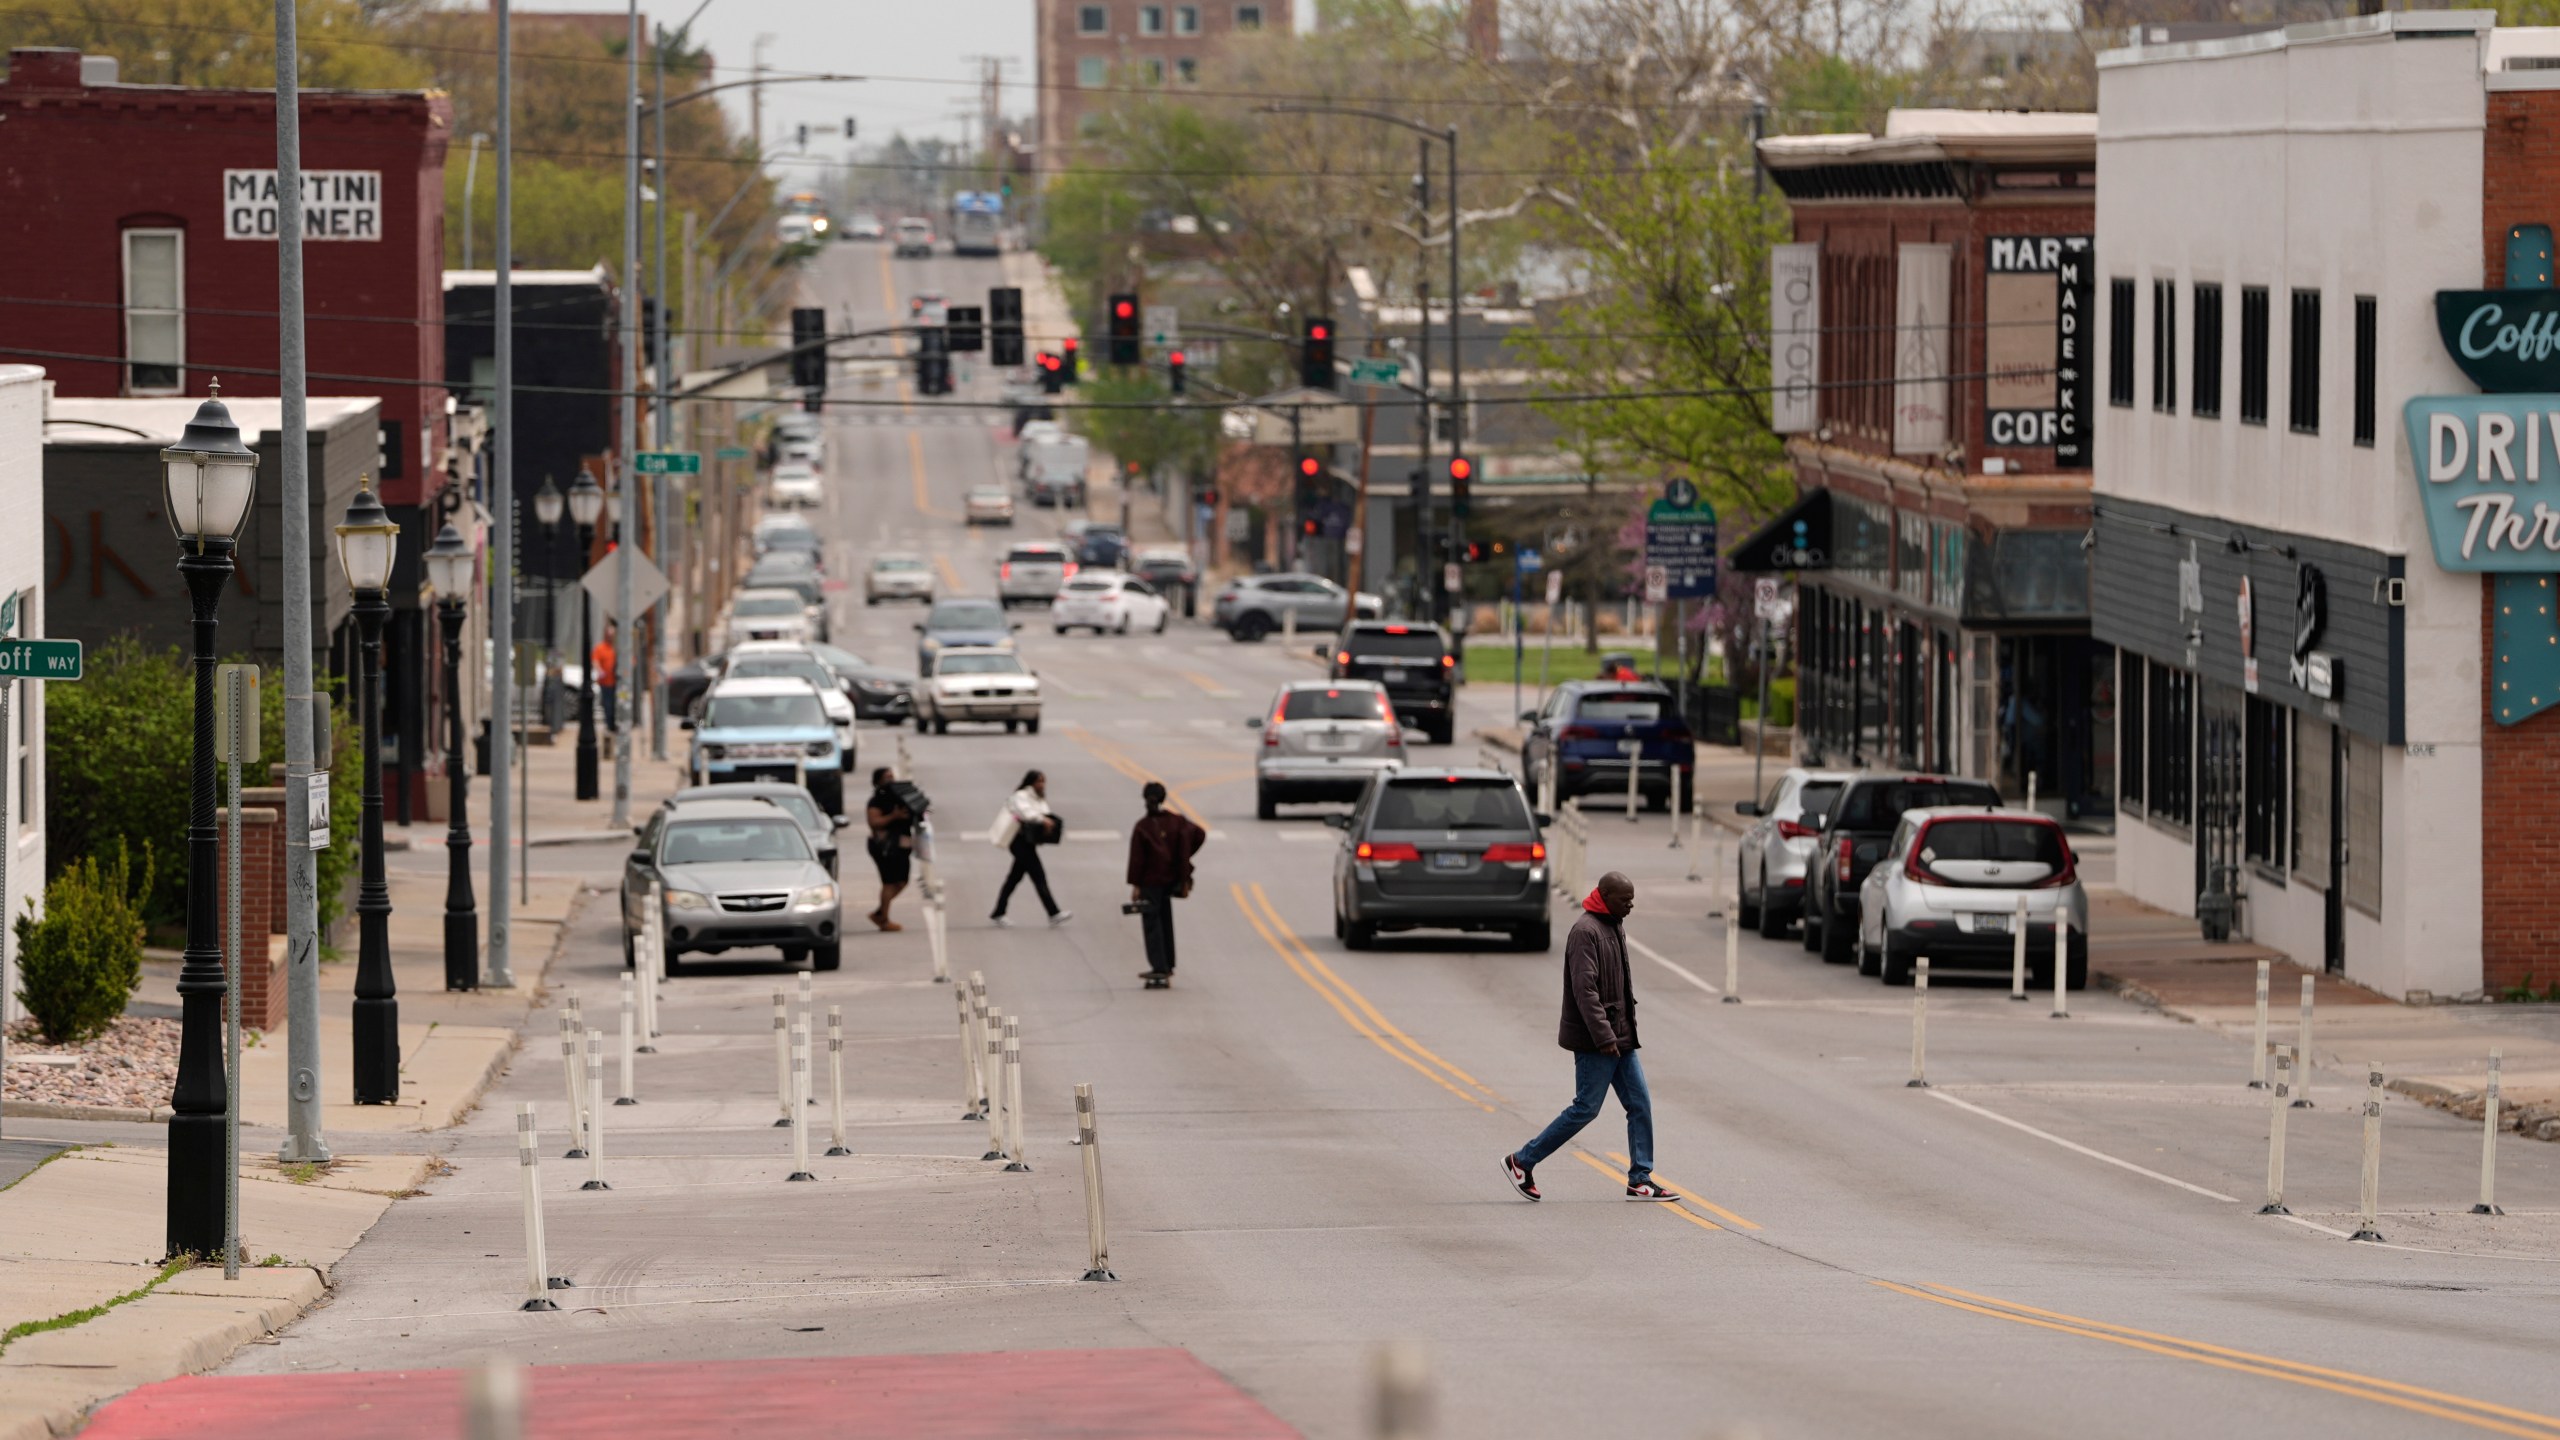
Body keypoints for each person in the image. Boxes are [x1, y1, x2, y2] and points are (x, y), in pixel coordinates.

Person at [1502, 871, 1680, 1202]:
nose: (1630, 905)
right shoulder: (1585, 932)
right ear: (1605, 895)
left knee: (1639, 1104)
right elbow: (1586, 991)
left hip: (1621, 1037)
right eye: (1625, 899)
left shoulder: (1613, 924)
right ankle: (1521, 1161)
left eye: (1632, 899)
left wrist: (1621, 1032)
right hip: (1597, 1041)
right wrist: (1603, 1036)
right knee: (1585, 1108)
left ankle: (1640, 1178)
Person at [1126, 780, 1207, 984]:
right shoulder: (1177, 821)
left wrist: (1136, 886)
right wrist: (1184, 857)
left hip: (1150, 883)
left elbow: (1137, 860)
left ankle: (1159, 967)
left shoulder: (1142, 827)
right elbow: (1200, 834)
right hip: (1171, 879)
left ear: (1145, 800)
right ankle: (1168, 964)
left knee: (1152, 924)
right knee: (1166, 920)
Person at [991, 769, 1070, 927]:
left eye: (1043, 781)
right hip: (1018, 841)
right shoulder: (1021, 796)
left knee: (1013, 879)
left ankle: (998, 912)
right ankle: (1053, 912)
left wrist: (1047, 822)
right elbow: (1026, 813)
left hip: (1027, 842)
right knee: (1038, 876)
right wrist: (1043, 820)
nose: (1042, 785)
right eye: (1039, 781)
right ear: (1031, 782)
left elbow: (1045, 812)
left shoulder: (1038, 797)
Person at [864, 766, 915, 932]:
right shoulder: (876, 801)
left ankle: (880, 913)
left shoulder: (899, 797)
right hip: (884, 847)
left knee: (902, 881)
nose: (891, 779)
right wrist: (894, 816)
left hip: (901, 845)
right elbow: (874, 823)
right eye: (886, 777)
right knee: (889, 882)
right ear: (877, 781)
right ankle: (884, 920)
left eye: (892, 776)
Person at [591, 619, 620, 733]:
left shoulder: (618, 648)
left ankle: (616, 724)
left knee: (618, 704)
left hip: (618, 682)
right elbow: (595, 661)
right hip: (606, 683)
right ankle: (610, 725)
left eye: (612, 634)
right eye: (608, 634)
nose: (610, 637)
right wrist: (600, 670)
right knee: (608, 705)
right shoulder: (601, 648)